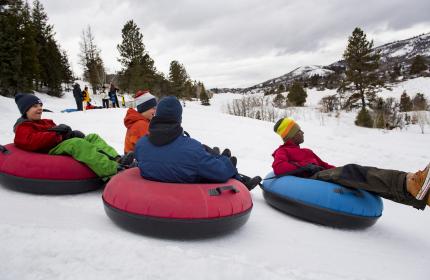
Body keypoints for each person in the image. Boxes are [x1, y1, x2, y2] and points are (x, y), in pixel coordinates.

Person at [271, 117, 430, 210]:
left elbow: (326, 166)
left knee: (361, 173)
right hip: (312, 179)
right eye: (299, 131)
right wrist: (303, 168)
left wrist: (340, 169)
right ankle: (411, 183)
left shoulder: (307, 151)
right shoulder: (283, 151)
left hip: (322, 174)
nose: (303, 132)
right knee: (353, 171)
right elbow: (279, 168)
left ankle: (418, 193)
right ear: (291, 135)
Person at [135, 96, 261, 190]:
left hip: (150, 197)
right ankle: (241, 180)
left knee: (203, 154)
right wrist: (226, 162)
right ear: (179, 118)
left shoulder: (140, 145)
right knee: (210, 163)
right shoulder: (192, 149)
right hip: (188, 199)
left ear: (157, 116)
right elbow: (221, 173)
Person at [13, 93, 134, 181]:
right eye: (35, 106)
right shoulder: (23, 127)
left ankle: (117, 159)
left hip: (58, 143)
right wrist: (58, 134)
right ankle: (112, 170)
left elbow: (59, 133)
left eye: (40, 105)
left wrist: (69, 133)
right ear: (25, 110)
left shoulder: (46, 121)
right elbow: (31, 141)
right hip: (49, 149)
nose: (39, 108)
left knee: (92, 137)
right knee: (77, 144)